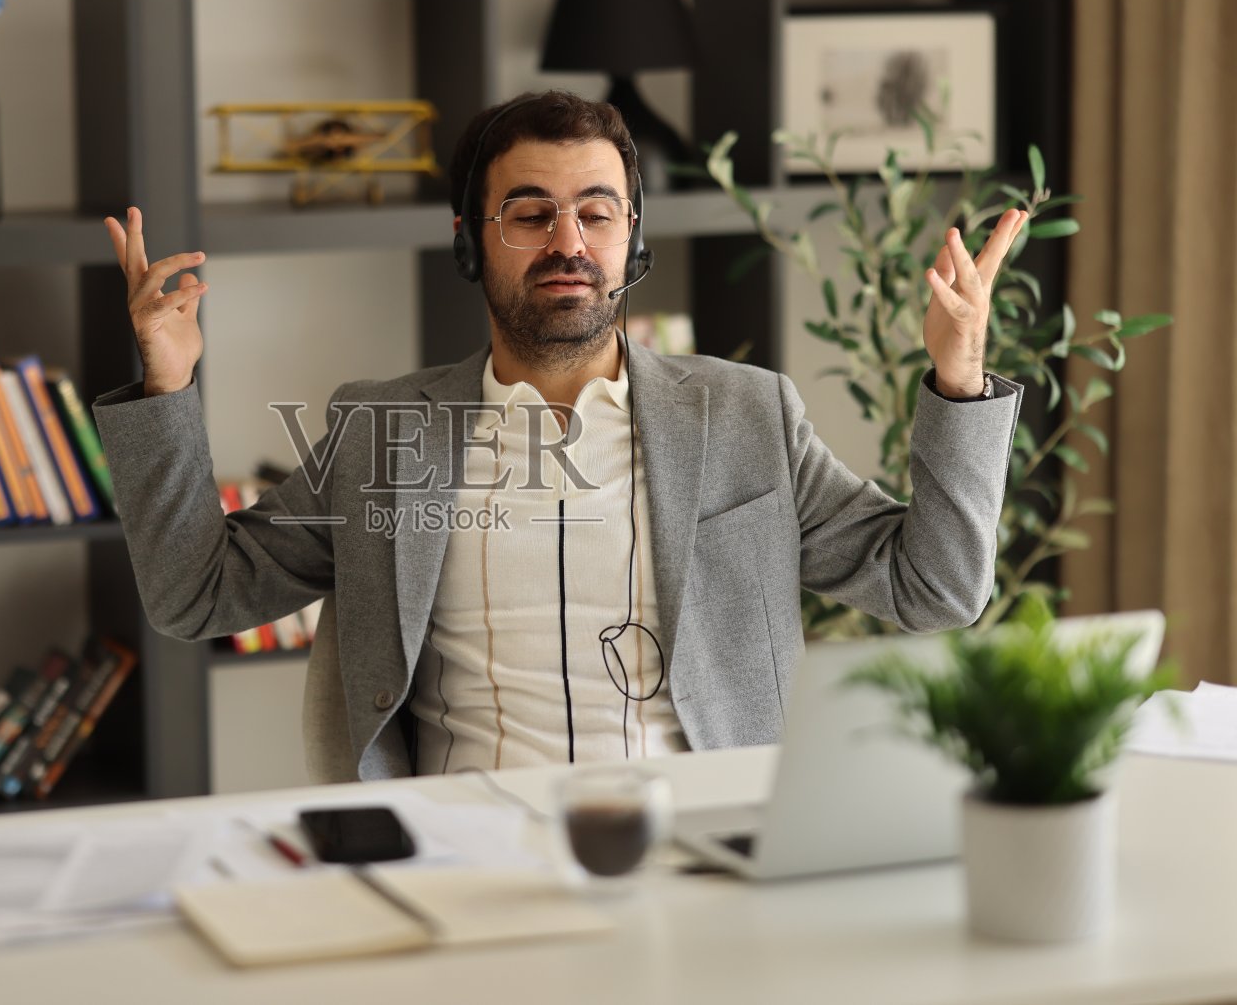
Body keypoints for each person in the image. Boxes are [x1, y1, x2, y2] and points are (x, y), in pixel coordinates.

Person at [93, 90, 1025, 783]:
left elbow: (935, 586)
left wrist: (959, 377)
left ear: (632, 237)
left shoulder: (749, 415)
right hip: (463, 856)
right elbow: (194, 594)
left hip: (700, 842)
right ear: (470, 241)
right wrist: (166, 386)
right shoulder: (382, 433)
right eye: (530, 212)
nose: (567, 241)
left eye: (597, 210)